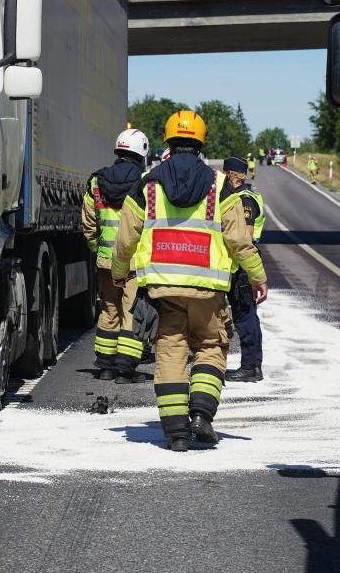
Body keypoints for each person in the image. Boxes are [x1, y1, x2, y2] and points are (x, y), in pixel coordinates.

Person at [112, 110, 268, 452]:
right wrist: (257, 276)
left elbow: (126, 237)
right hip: (208, 291)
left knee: (170, 351)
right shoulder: (219, 186)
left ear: (168, 140)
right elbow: (239, 240)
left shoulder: (148, 184)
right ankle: (201, 416)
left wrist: (119, 271)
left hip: (162, 289)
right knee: (211, 347)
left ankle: (176, 433)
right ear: (201, 143)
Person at [82, 128, 149, 383]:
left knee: (108, 310)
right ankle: (125, 369)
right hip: (134, 262)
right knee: (130, 312)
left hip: (105, 260)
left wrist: (96, 250)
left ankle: (105, 366)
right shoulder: (145, 183)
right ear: (141, 152)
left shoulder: (96, 182)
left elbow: (89, 224)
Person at [223, 157, 266, 382]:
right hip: (239, 264)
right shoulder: (241, 197)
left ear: (231, 174)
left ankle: (250, 366)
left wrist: (249, 270)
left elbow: (246, 236)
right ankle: (252, 366)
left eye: (225, 173)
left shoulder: (244, 200)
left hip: (242, 266)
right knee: (245, 315)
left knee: (245, 317)